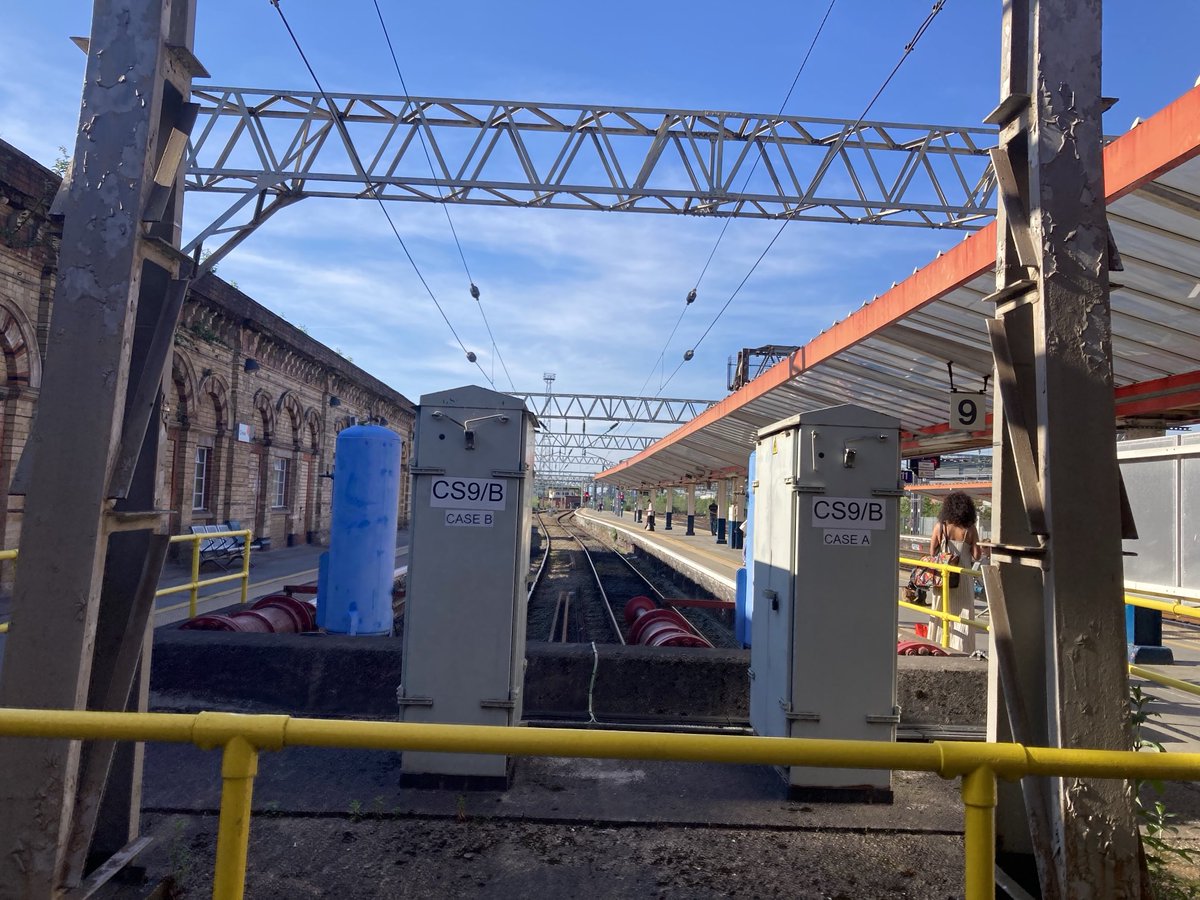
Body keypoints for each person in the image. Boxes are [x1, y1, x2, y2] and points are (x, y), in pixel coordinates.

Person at [926, 491, 982, 653]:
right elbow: (977, 555)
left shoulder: (940, 526)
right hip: (963, 576)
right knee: (963, 612)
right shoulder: (970, 529)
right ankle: (962, 647)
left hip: (943, 576)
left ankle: (937, 643)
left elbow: (932, 553)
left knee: (940, 609)